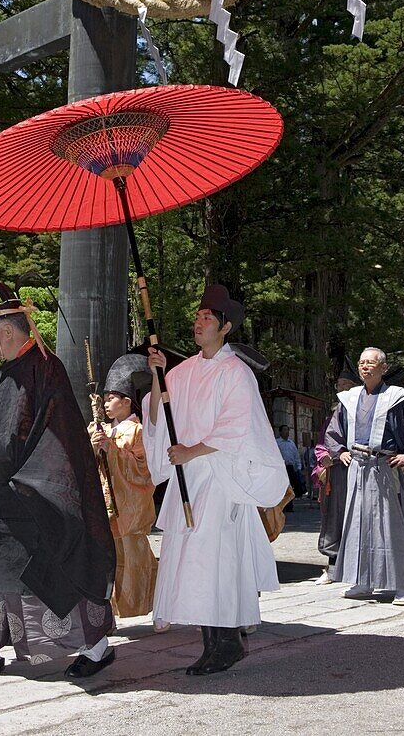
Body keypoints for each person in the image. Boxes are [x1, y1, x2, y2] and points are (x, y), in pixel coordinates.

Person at [0, 284, 116, 681]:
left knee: (56, 570)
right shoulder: (5, 372)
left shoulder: (45, 367)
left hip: (37, 493)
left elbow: (55, 435)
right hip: (2, 493)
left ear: (7, 332)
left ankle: (96, 646)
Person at [144, 284, 287, 676]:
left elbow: (237, 427)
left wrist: (192, 451)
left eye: (207, 317)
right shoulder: (183, 371)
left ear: (225, 328)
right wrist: (157, 376)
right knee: (192, 561)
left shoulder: (236, 373)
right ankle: (213, 643)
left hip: (221, 478)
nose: (199, 322)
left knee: (216, 561)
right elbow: (159, 415)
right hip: (189, 478)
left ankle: (225, 642)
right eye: (197, 317)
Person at [324, 347, 404, 606]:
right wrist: (340, 452)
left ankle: (402, 586)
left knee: (390, 526)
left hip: (383, 466)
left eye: (371, 363)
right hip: (357, 468)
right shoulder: (348, 399)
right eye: (362, 363)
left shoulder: (396, 398)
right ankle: (363, 581)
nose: (365, 367)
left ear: (383, 367)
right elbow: (333, 431)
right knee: (357, 525)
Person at [89, 353, 157, 620]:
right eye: (105, 399)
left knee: (135, 559)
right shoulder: (100, 429)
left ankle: (154, 602)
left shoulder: (138, 431)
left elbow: (143, 469)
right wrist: (93, 448)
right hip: (104, 506)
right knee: (106, 561)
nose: (107, 403)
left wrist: (113, 450)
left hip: (127, 509)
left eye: (111, 398)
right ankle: (107, 613)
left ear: (127, 401)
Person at [312, 357, 361, 585]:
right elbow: (323, 441)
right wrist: (326, 458)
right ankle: (332, 566)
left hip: (360, 467)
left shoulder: (363, 408)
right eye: (339, 385)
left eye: (346, 385)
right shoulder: (334, 412)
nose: (342, 389)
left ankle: (359, 567)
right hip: (338, 471)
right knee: (335, 517)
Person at [275, 425, 302, 504]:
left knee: (290, 486)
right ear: (280, 432)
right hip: (281, 467)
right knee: (282, 487)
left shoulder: (291, 443)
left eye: (287, 430)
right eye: (284, 430)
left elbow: (296, 455)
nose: (286, 432)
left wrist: (298, 467)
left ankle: (290, 504)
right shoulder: (277, 443)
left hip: (290, 467)